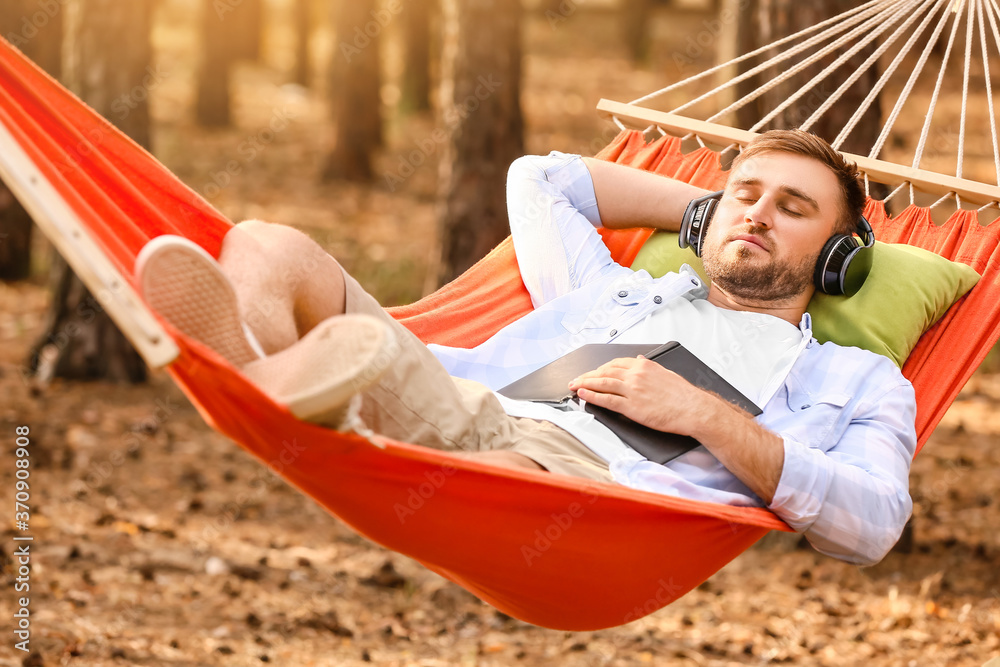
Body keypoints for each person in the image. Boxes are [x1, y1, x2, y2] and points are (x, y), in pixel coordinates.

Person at [136, 129, 916, 566]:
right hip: (460, 402)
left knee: (502, 474)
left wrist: (704, 414)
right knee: (268, 244)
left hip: (569, 485)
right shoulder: (614, 288)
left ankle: (304, 391)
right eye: (744, 195)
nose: (757, 215)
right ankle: (270, 377)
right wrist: (715, 212)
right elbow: (540, 179)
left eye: (792, 208)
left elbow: (874, 522)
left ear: (842, 254)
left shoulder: (856, 378)